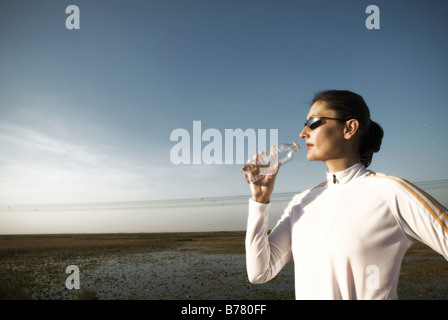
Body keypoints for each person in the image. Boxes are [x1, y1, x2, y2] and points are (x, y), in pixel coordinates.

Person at [244, 89, 448, 300]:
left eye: (313, 122)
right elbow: (259, 272)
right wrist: (260, 201)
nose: (303, 133)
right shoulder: (301, 202)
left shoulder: (391, 193)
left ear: (349, 128)